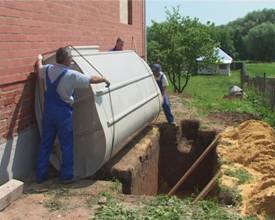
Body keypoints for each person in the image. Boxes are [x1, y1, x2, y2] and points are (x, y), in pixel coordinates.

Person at [35, 46, 109, 183]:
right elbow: (91, 79)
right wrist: (104, 79)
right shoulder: (71, 75)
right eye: (70, 58)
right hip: (63, 113)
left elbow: (38, 68)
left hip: (48, 112)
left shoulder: (47, 70)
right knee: (66, 145)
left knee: (46, 143)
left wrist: (39, 59)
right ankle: (67, 176)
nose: (72, 60)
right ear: (65, 59)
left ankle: (41, 175)